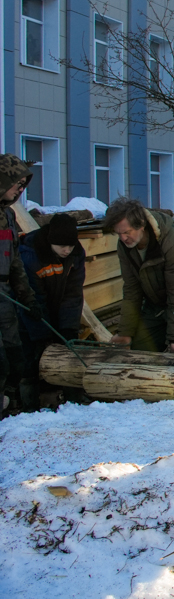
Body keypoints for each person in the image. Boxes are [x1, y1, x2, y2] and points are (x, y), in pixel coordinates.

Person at [103, 197, 174, 355]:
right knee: (140, 348)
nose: (123, 238)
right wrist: (125, 332)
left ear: (141, 225)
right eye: (118, 233)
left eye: (127, 232)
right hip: (157, 298)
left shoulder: (173, 242)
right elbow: (131, 289)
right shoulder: (124, 246)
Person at [17, 214, 85, 408]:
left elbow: (73, 294)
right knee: (31, 360)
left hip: (58, 310)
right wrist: (41, 336)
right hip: (29, 313)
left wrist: (68, 329)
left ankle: (72, 402)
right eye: (62, 246)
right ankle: (29, 406)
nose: (67, 250)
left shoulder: (76, 254)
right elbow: (33, 297)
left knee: (67, 355)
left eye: (70, 245)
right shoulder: (31, 255)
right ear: (51, 241)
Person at [0, 155, 41, 412]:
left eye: (23, 186)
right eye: (17, 184)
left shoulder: (8, 215)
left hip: (5, 295)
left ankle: (12, 406)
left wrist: (28, 298)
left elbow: (15, 262)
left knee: (15, 353)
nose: (20, 190)